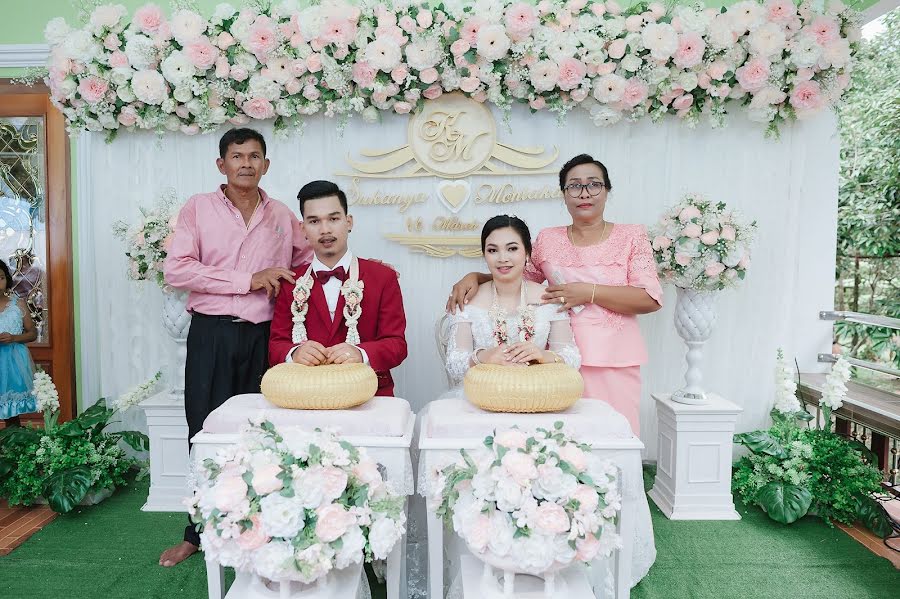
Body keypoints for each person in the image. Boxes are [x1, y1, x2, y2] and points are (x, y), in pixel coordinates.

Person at [160, 128, 312, 567]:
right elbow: (178, 270)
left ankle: (261, 527)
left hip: (265, 339)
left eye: (254, 156)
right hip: (213, 334)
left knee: (264, 432)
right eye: (236, 155)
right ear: (220, 164)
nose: (246, 163)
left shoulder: (282, 215)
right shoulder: (198, 209)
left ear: (266, 165)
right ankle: (198, 531)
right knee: (204, 432)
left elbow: (304, 266)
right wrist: (247, 280)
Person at [447, 154, 662, 436]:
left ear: (607, 190)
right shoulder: (548, 238)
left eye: (594, 184)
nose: (584, 193)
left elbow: (650, 298)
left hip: (613, 357)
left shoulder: (632, 235)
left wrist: (589, 292)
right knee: (564, 443)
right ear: (563, 194)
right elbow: (518, 276)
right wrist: (475, 277)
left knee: (615, 437)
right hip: (552, 363)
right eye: (574, 186)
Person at [269, 180, 407, 395]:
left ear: (348, 222)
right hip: (306, 394)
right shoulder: (291, 283)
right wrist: (294, 353)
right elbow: (276, 345)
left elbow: (397, 345)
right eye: (314, 221)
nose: (325, 230)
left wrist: (361, 354)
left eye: (333, 219)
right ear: (302, 228)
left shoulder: (383, 277)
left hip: (369, 394)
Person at [443, 215, 581, 392]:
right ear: (484, 255)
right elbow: (455, 364)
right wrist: (482, 356)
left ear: (527, 254)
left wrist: (543, 355)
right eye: (493, 250)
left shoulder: (549, 299)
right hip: (482, 394)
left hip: (537, 393)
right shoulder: (467, 300)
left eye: (512, 249)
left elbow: (571, 358)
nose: (502, 258)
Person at [0, 259, 37, 426]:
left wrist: (13, 338)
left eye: (0, 277)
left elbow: (32, 333)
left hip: (13, 363)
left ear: (7, 279)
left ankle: (14, 446)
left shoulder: (18, 304)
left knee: (12, 412)